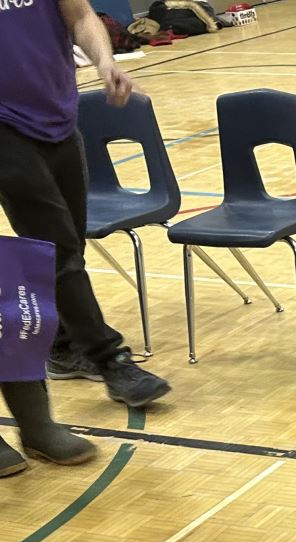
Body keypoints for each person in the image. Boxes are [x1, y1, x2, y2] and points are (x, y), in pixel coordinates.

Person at [0, 0, 171, 411]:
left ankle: (61, 344)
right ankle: (112, 360)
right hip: (5, 127)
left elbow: (79, 16)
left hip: (58, 113)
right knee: (57, 246)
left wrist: (104, 62)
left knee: (68, 246)